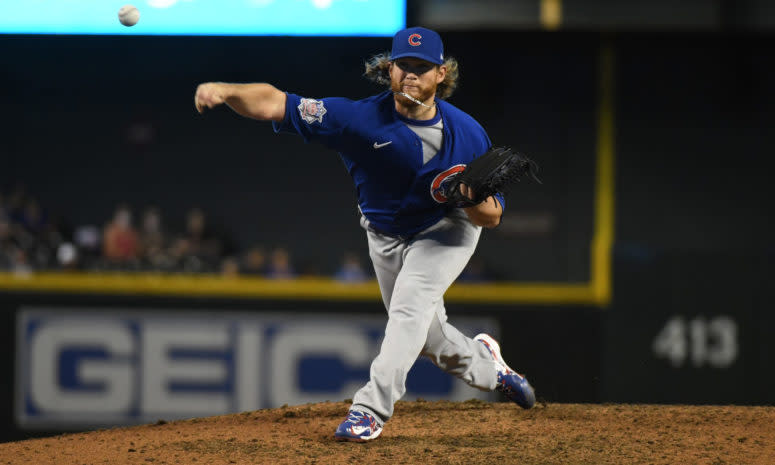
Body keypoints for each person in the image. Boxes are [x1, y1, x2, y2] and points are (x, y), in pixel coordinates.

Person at [194, 26, 535, 442]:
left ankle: (369, 410)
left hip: (446, 228)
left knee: (409, 309)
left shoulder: (467, 133)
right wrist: (225, 90)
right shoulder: (356, 119)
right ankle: (489, 367)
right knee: (427, 338)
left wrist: (471, 199)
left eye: (422, 67)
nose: (411, 74)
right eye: (404, 65)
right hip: (385, 234)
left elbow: (491, 217)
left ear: (441, 74)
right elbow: (275, 102)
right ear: (389, 69)